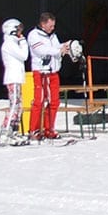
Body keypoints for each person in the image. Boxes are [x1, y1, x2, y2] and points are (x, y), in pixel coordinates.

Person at [26, 12, 73, 140]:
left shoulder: (52, 36)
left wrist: (66, 46)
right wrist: (58, 51)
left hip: (53, 72)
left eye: (53, 25)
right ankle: (34, 130)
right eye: (51, 25)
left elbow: (56, 47)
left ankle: (49, 128)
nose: (53, 28)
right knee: (39, 101)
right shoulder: (34, 35)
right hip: (41, 72)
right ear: (43, 24)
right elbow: (41, 50)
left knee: (54, 102)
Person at [0, 18, 28, 145]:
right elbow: (24, 56)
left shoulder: (13, 43)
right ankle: (5, 132)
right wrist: (23, 41)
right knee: (14, 104)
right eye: (18, 29)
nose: (20, 32)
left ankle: (14, 132)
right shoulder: (9, 44)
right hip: (13, 78)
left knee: (18, 106)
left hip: (17, 78)